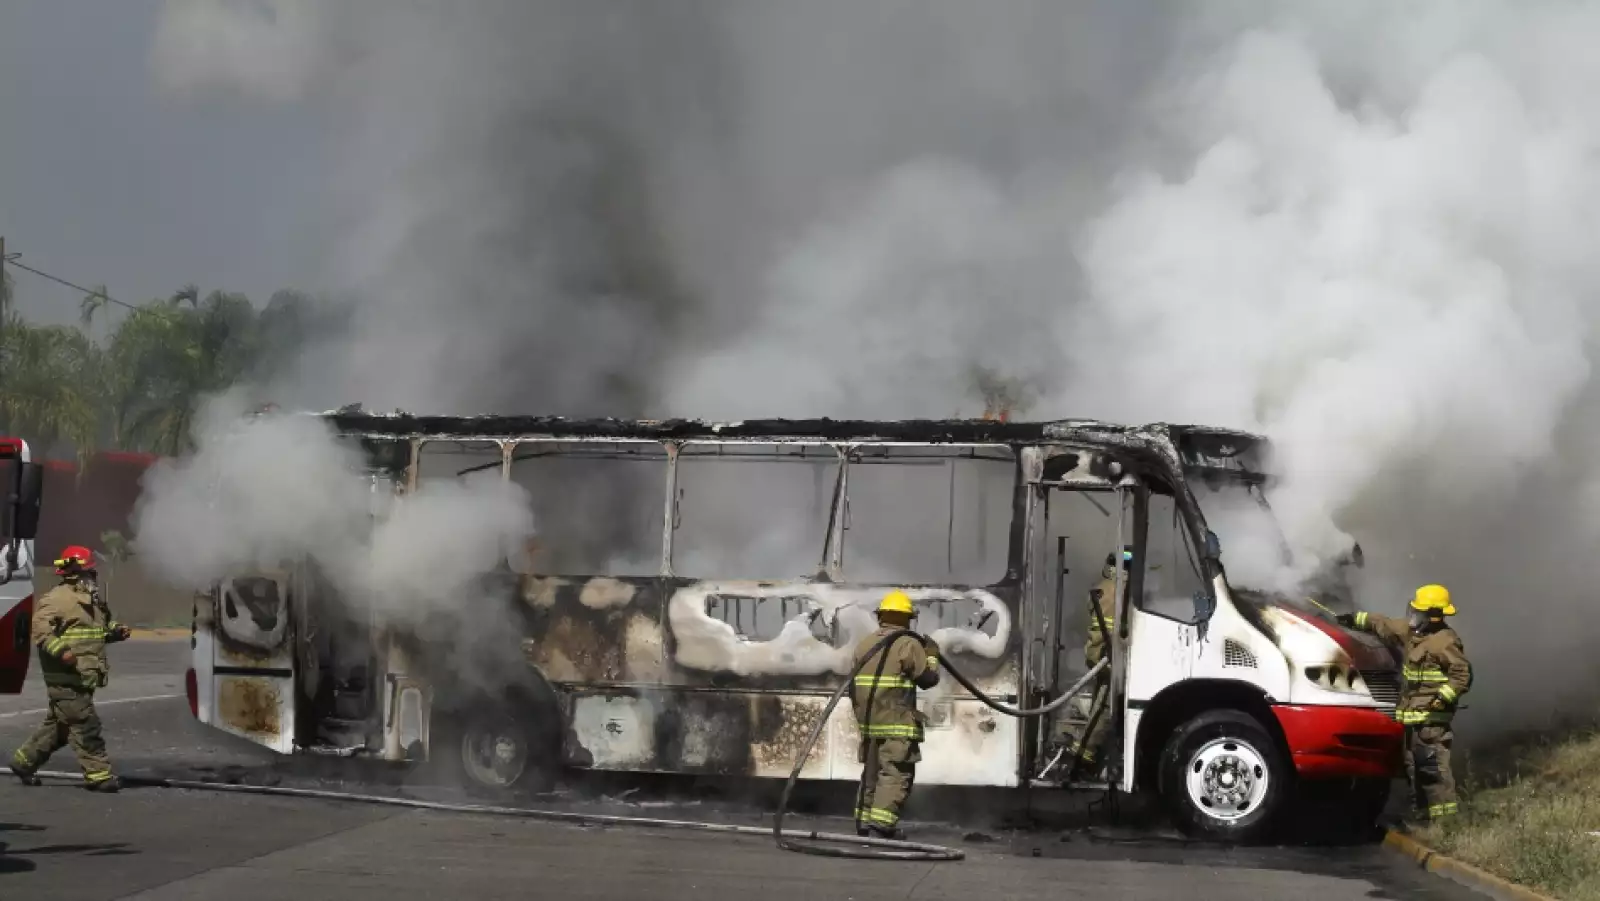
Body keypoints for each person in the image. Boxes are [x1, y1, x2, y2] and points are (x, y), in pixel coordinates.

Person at [1337, 584, 1471, 822]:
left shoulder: (1445, 642)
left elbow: (1462, 675)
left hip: (1431, 723)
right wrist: (1353, 619)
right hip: (1412, 719)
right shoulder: (1413, 634)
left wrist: (1442, 699)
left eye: (1418, 611)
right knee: (1413, 769)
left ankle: (1446, 823)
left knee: (1433, 771)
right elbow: (1383, 624)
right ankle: (1422, 818)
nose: (1412, 615)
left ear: (1433, 615)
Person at [10, 545, 130, 791]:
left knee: (61, 727)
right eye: (89, 571)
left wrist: (115, 632)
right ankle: (99, 776)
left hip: (83, 676)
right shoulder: (58, 599)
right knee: (86, 723)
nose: (94, 575)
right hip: (64, 677)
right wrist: (61, 651)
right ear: (75, 572)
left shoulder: (91, 601)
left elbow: (97, 631)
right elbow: (41, 630)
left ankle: (23, 762)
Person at [849, 589, 940, 839]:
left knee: (871, 775)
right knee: (895, 774)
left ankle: (865, 824)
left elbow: (852, 687)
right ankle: (882, 827)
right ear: (907, 618)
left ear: (881, 617)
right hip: (896, 725)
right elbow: (928, 680)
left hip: (869, 723)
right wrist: (932, 656)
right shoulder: (908, 644)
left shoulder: (864, 644)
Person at [1059, 546, 1131, 780]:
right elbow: (1114, 631)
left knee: (1103, 705)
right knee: (1105, 708)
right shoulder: (1117, 591)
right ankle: (1084, 759)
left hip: (1102, 657)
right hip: (1109, 658)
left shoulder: (1105, 587)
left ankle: (1088, 755)